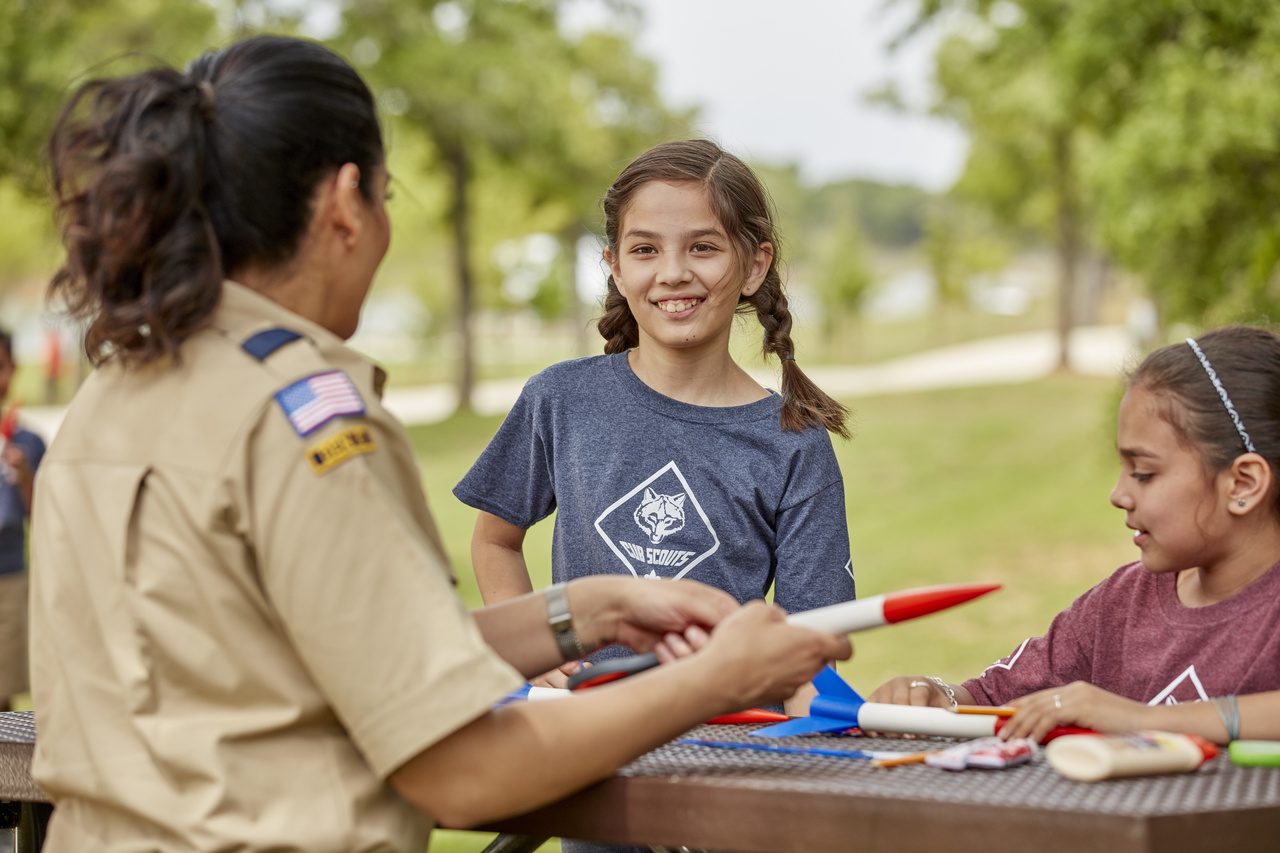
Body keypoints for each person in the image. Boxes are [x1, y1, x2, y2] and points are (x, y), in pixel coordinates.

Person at [29, 35, 852, 852]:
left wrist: (585, 611)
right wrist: (714, 680)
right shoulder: (301, 418)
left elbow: (305, 659)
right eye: (387, 197)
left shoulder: (110, 394)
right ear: (347, 203)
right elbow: (459, 771)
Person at [453, 139, 857, 714]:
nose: (673, 273)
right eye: (645, 249)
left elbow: (808, 653)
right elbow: (495, 540)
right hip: (576, 724)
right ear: (614, 267)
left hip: (720, 738)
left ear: (755, 265)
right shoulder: (561, 398)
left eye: (703, 247)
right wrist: (534, 650)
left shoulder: (793, 444)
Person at [871, 325, 1280, 745]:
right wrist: (935, 699)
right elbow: (990, 700)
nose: (1119, 494)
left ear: (1243, 484)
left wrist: (1138, 719)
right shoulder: (1118, 604)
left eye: (1144, 473)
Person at [0, 328, 45, 711]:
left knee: (3, 689)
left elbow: (44, 517)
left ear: (12, 370)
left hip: (9, 576)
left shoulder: (27, 441)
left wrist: (27, 478)